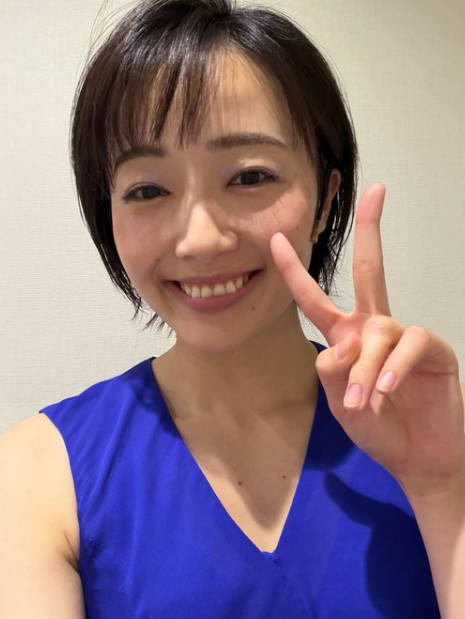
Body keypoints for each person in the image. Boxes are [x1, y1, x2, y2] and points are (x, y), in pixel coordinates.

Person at [1, 0, 464, 617]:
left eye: (248, 177)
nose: (200, 240)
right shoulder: (37, 473)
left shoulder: (430, 437)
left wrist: (441, 487)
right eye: (147, 189)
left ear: (325, 201)